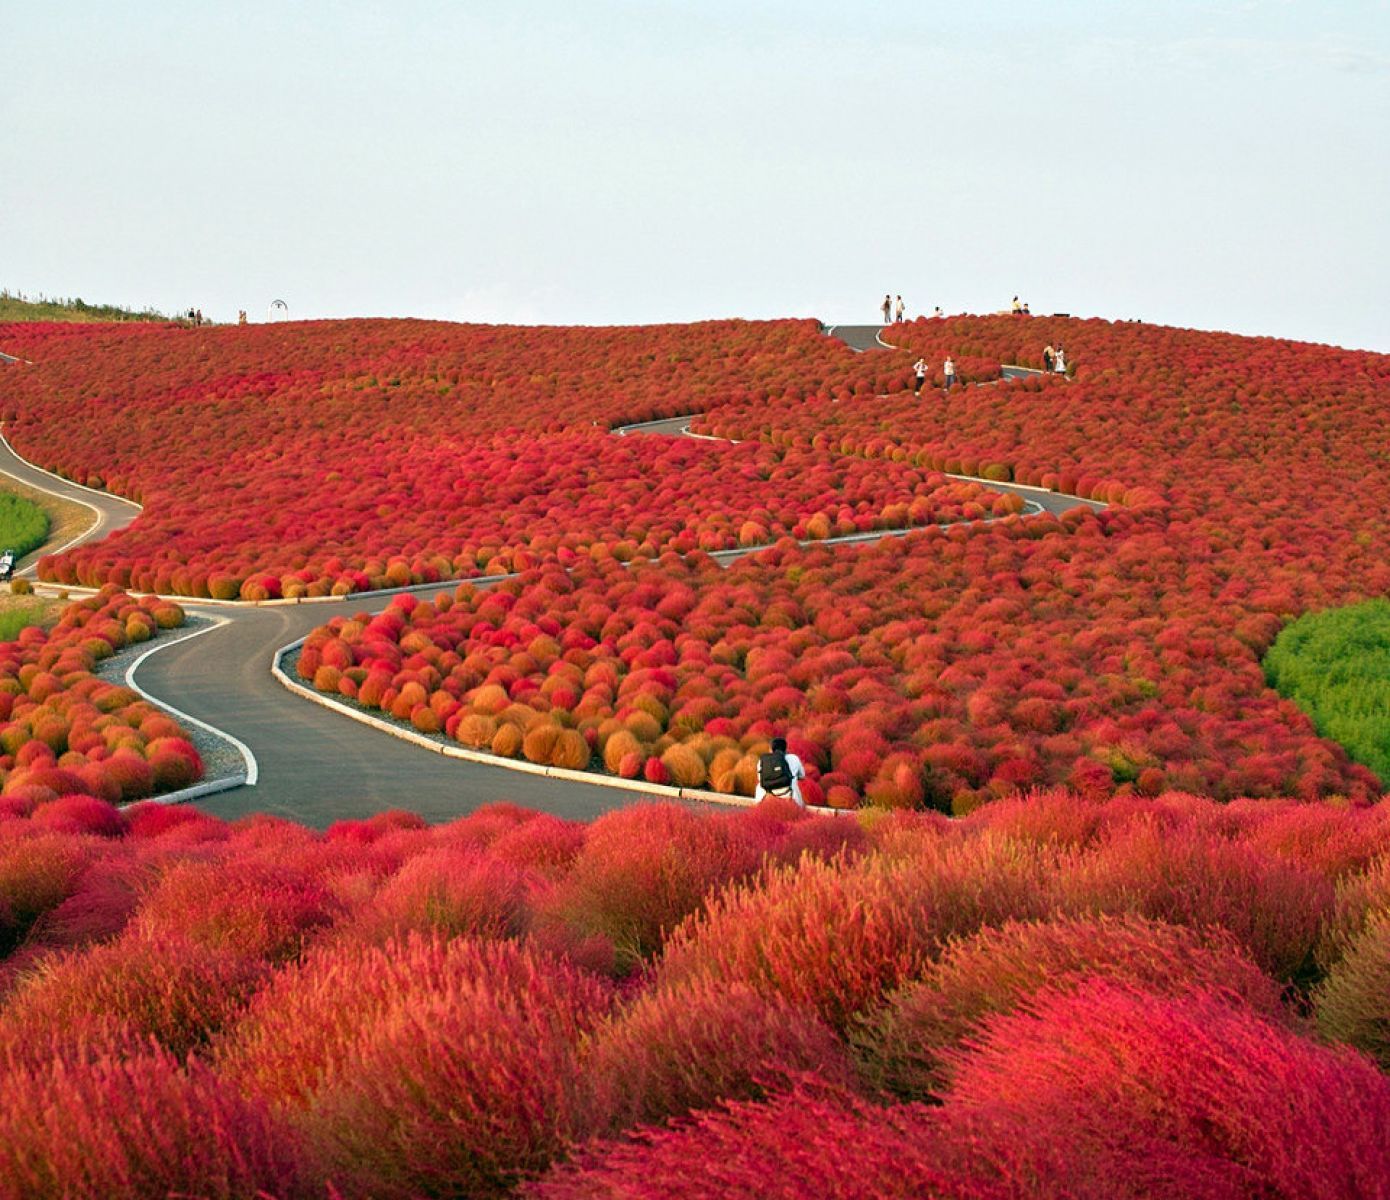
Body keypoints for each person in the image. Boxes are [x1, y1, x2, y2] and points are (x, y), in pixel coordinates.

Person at [755, 736, 806, 806]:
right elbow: (802, 776)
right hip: (790, 796)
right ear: (785, 749)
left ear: (771, 749)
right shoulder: (794, 758)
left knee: (759, 786)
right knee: (794, 784)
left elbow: (760, 779)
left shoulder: (762, 761)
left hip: (767, 797)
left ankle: (758, 807)